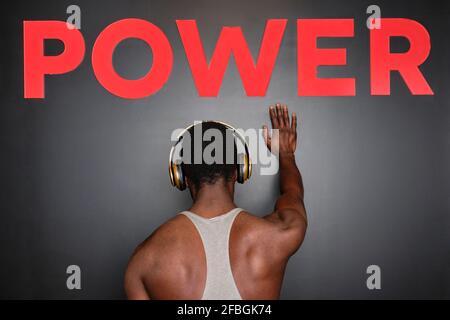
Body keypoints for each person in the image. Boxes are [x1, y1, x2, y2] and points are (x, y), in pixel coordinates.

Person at [124, 104, 307, 299]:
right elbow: (292, 193)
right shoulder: (280, 233)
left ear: (181, 178)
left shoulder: (144, 260)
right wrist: (286, 154)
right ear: (239, 172)